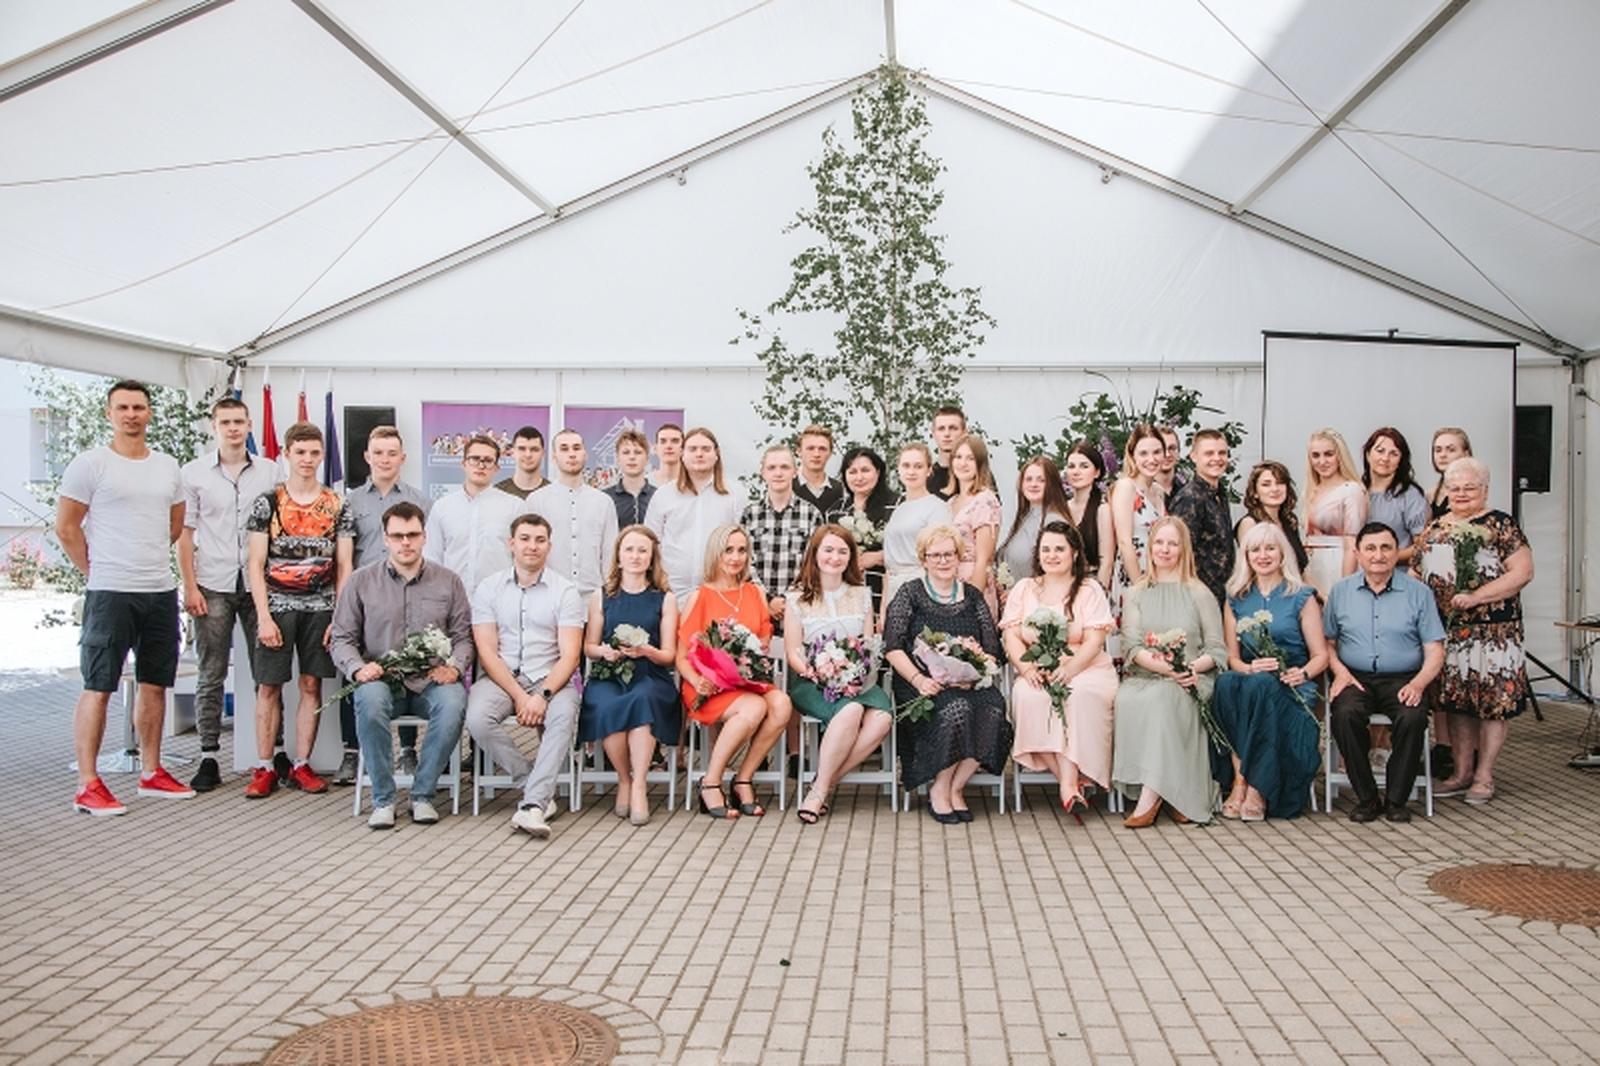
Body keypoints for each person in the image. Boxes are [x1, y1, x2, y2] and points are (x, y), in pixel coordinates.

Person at [58, 380, 192, 815]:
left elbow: (174, 525)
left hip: (158, 590)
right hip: (110, 592)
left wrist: (145, 560)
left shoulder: (167, 466)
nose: (131, 414)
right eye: (123, 408)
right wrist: (96, 571)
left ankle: (151, 772)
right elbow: (67, 528)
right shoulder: (90, 464)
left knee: (155, 683)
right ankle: (87, 783)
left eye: (138, 407)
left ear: (149, 412)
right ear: (109, 414)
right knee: (99, 685)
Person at [330, 502, 472, 829]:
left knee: (454, 703)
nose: (405, 542)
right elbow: (342, 638)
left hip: (431, 680)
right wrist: (358, 668)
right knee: (369, 701)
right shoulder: (361, 581)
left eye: (412, 535)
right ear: (385, 538)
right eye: (397, 536)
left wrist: (455, 668)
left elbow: (463, 637)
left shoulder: (448, 581)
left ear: (424, 537)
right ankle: (383, 799)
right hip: (383, 678)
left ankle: (422, 795)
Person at [1413, 457, 1533, 806]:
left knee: (1493, 704)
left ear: (1485, 489)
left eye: (1470, 487)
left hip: (1494, 631)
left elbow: (1522, 572)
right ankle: (1461, 772)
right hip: (1449, 632)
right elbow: (1416, 574)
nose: (1462, 494)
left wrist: (1478, 597)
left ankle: (1484, 775)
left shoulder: (1500, 524)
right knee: (1457, 703)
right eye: (1455, 488)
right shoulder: (1435, 528)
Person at [244, 421, 353, 798]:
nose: (307, 459)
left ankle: (302, 764)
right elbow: (255, 563)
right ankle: (264, 767)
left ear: (322, 456)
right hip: (276, 606)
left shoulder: (337, 504)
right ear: (286, 454)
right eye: (300, 452)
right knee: (268, 686)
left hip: (321, 607)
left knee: (311, 684)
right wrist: (262, 616)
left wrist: (339, 616)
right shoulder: (268, 502)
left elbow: (345, 565)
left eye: (314, 453)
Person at [178, 396, 277, 792]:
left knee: (266, 673)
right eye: (226, 422)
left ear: (249, 425)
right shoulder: (193, 473)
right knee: (211, 672)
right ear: (214, 427)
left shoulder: (270, 471)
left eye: (239, 421)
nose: (233, 428)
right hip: (213, 582)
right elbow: (185, 535)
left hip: (259, 585)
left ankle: (272, 754)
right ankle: (208, 756)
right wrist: (189, 585)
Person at [466, 514, 585, 840]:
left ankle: (533, 805)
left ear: (549, 546)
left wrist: (542, 695)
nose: (532, 546)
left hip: (551, 678)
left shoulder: (565, 591)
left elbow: (570, 655)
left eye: (539, 540)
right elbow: (487, 652)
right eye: (525, 539)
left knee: (562, 717)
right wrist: (520, 696)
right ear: (511, 543)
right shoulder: (488, 588)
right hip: (503, 678)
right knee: (477, 718)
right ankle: (533, 784)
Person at [884, 523, 1011, 823]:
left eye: (949, 554)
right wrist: (920, 679)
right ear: (924, 559)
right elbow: (892, 646)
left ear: (958, 557)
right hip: (921, 684)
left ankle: (955, 787)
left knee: (994, 709)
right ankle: (940, 789)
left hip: (969, 683)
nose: (943, 561)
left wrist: (972, 674)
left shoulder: (973, 596)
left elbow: (991, 649)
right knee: (957, 710)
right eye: (935, 555)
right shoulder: (910, 594)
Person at [1324, 522, 1445, 822]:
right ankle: (1367, 798)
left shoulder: (1419, 593)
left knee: (1412, 717)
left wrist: (1419, 684)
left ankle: (1396, 799)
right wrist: (1339, 671)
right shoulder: (1340, 592)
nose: (1378, 555)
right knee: (1344, 715)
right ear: (1358, 554)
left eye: (1386, 548)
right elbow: (1327, 643)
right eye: (1370, 548)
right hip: (1354, 677)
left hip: (1404, 678)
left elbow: (1435, 649)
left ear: (1396, 552)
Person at [1111, 516, 1223, 826]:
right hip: (1147, 675)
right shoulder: (1136, 593)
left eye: (1173, 544)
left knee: (1163, 699)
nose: (1165, 549)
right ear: (1150, 547)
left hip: (1192, 678)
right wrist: (1165, 668)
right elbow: (1132, 647)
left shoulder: (1199, 593)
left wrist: (1186, 669)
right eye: (1159, 542)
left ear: (1183, 549)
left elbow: (1216, 649)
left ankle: (1150, 799)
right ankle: (1170, 792)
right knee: (1127, 699)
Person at [676, 525, 793, 819]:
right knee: (754, 708)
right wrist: (697, 680)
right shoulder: (700, 596)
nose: (735, 557)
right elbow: (681, 656)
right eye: (728, 550)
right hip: (709, 686)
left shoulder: (754, 593)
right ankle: (711, 782)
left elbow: (762, 637)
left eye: (742, 550)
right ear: (715, 553)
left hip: (748, 681)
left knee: (782, 704)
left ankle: (743, 779)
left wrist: (757, 648)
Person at [1001, 521, 1117, 813]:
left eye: (1059, 549)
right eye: (1046, 549)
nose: (1051, 555)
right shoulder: (1024, 589)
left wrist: (1069, 670)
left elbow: (1094, 640)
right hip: (1036, 668)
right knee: (1028, 697)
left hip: (1086, 668)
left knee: (1076, 696)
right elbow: (1012, 637)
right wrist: (1028, 670)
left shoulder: (1089, 589)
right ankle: (1072, 783)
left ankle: (1068, 785)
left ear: (1074, 553)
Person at [335, 425, 429, 785]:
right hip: (363, 599)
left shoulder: (420, 501)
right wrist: (343, 605)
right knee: (356, 671)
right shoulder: (350, 502)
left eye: (392, 453)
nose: (385, 459)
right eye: (378, 453)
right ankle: (351, 752)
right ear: (367, 457)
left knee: (407, 668)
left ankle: (407, 750)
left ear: (402, 458)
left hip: (407, 597)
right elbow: (345, 559)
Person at [1214, 522, 1327, 820]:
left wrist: (1302, 674)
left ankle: (1257, 788)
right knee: (1225, 683)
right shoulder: (1235, 598)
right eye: (1255, 550)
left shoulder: (1301, 596)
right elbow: (1232, 659)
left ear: (1282, 553)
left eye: (1270, 548)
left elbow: (1320, 656)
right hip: (1251, 683)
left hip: (1291, 689)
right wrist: (1249, 667)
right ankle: (1240, 781)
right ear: (1246, 556)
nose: (1262, 555)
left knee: (1261, 686)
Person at [784, 525, 894, 824]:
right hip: (811, 680)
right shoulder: (797, 597)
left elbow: (868, 646)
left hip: (858, 680)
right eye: (829, 550)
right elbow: (793, 651)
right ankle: (820, 791)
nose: (835, 557)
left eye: (843, 552)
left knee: (882, 718)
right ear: (815, 554)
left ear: (851, 557)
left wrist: (854, 674)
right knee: (852, 710)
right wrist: (816, 672)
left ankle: (822, 784)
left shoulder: (862, 594)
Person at [579, 525, 679, 825]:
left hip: (650, 673)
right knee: (606, 703)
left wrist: (647, 651)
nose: (635, 556)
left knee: (643, 699)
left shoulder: (665, 598)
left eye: (642, 551)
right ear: (619, 556)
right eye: (629, 550)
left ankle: (639, 785)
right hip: (610, 673)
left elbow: (669, 655)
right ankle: (624, 778)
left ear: (652, 558)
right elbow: (589, 647)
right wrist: (604, 652)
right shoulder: (601, 596)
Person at [644, 427, 744, 603]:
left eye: (706, 449)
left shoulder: (735, 494)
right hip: (671, 592)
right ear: (682, 454)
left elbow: (745, 543)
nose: (699, 454)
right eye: (693, 449)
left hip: (720, 590)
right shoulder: (663, 495)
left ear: (716, 454)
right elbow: (650, 541)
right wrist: (659, 579)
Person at [424, 434, 531, 596]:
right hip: (453, 600)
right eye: (474, 459)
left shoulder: (515, 507)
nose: (481, 465)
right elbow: (432, 557)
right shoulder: (442, 507)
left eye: (488, 461)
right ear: (464, 464)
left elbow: (524, 558)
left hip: (500, 599)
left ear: (496, 468)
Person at [528, 429, 619, 603]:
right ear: (554, 457)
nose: (571, 454)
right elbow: (530, 553)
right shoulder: (537, 501)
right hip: (548, 597)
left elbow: (610, 555)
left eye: (576, 448)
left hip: (593, 599)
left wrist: (610, 596)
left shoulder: (603, 502)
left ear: (585, 454)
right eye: (564, 449)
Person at [741, 444, 823, 628]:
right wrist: (768, 599)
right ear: (763, 473)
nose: (778, 473)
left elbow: (813, 564)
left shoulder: (811, 514)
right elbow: (745, 562)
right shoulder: (750, 514)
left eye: (785, 467)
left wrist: (787, 599)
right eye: (771, 468)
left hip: (799, 608)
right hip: (757, 607)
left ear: (795, 471)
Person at [881, 443, 951, 616]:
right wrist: (883, 608)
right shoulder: (898, 509)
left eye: (918, 466)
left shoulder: (937, 507)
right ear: (898, 469)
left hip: (922, 586)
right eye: (906, 466)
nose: (911, 472)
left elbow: (941, 558)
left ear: (928, 470)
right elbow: (889, 564)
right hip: (894, 587)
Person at [1167, 429, 1234, 608]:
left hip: (1221, 595)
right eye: (1209, 453)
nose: (1217, 458)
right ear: (1194, 456)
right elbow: (1179, 553)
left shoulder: (1219, 494)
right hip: (1197, 599)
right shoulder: (1189, 498)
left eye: (1222, 453)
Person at [827, 445, 896, 611]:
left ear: (878, 472)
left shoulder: (897, 505)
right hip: (845, 593)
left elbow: (911, 549)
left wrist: (879, 557)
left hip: (887, 591)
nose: (859, 477)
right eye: (852, 472)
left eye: (865, 470)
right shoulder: (834, 512)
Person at [1109, 423, 1167, 624]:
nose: (1151, 459)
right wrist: (1140, 590)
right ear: (1132, 456)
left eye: (1157, 452)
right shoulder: (1126, 487)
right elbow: (1124, 542)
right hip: (1134, 578)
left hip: (1159, 576)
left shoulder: (1159, 491)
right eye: (1143, 453)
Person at [1303, 428, 1367, 600]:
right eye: (1315, 455)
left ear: (1340, 455)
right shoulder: (1312, 490)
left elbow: (1352, 545)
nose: (1322, 461)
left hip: (1336, 564)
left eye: (1329, 454)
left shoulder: (1351, 490)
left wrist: (1345, 588)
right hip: (1312, 568)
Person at [998, 455, 1071, 593]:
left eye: (1041, 480)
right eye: (1028, 479)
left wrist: (1022, 594)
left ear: (1052, 484)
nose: (1033, 484)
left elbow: (1057, 572)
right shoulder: (1023, 518)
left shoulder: (1054, 522)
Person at [948, 434, 1002, 616]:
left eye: (970, 458)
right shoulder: (951, 502)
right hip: (948, 585)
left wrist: (970, 603)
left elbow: (983, 560)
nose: (963, 463)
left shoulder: (985, 500)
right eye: (958, 457)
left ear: (980, 463)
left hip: (973, 584)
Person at [1362, 427, 1428, 564]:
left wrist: (1386, 559)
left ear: (1400, 461)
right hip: (1359, 572)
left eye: (1394, 454)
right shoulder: (1356, 490)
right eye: (1380, 451)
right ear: (1368, 454)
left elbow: (1421, 544)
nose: (1385, 458)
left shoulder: (1410, 495)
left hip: (1397, 571)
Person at [1234, 461, 1309, 573]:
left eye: (1280, 483)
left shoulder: (1290, 522)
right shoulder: (1249, 524)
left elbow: (1301, 570)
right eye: (1266, 484)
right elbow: (1252, 570)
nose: (1275, 489)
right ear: (1255, 492)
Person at [1063, 441, 1114, 591]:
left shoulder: (1102, 510)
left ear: (1097, 472)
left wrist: (1099, 594)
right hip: (1063, 584)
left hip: (1093, 584)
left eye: (1084, 466)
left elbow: (1106, 562)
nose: (1076, 472)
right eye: (1071, 466)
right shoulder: (1062, 509)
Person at [603, 427, 656, 528]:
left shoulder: (658, 496)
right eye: (626, 452)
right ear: (618, 459)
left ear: (647, 459)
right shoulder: (605, 498)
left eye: (638, 452)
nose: (632, 457)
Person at [793, 424, 846, 516]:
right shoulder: (787, 488)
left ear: (830, 453)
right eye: (810, 448)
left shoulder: (841, 491)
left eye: (822, 449)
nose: (816, 454)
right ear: (799, 451)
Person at [495, 425, 547, 499]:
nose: (528, 455)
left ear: (543, 453)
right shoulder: (497, 493)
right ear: (512, 452)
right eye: (522, 449)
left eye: (534, 449)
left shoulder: (555, 494)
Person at [926, 405, 966, 500]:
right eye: (941, 429)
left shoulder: (975, 473)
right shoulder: (926, 476)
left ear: (964, 432)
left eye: (953, 428)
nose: (947, 434)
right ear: (933, 433)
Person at [650, 423, 684, 488]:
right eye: (663, 441)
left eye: (675, 441)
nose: (668, 446)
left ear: (683, 449)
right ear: (655, 449)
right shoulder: (644, 484)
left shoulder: (693, 483)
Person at [1155, 425, 1185, 498]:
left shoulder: (1188, 491)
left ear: (1178, 453)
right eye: (1161, 449)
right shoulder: (1139, 491)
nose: (1167, 454)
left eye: (1172, 448)